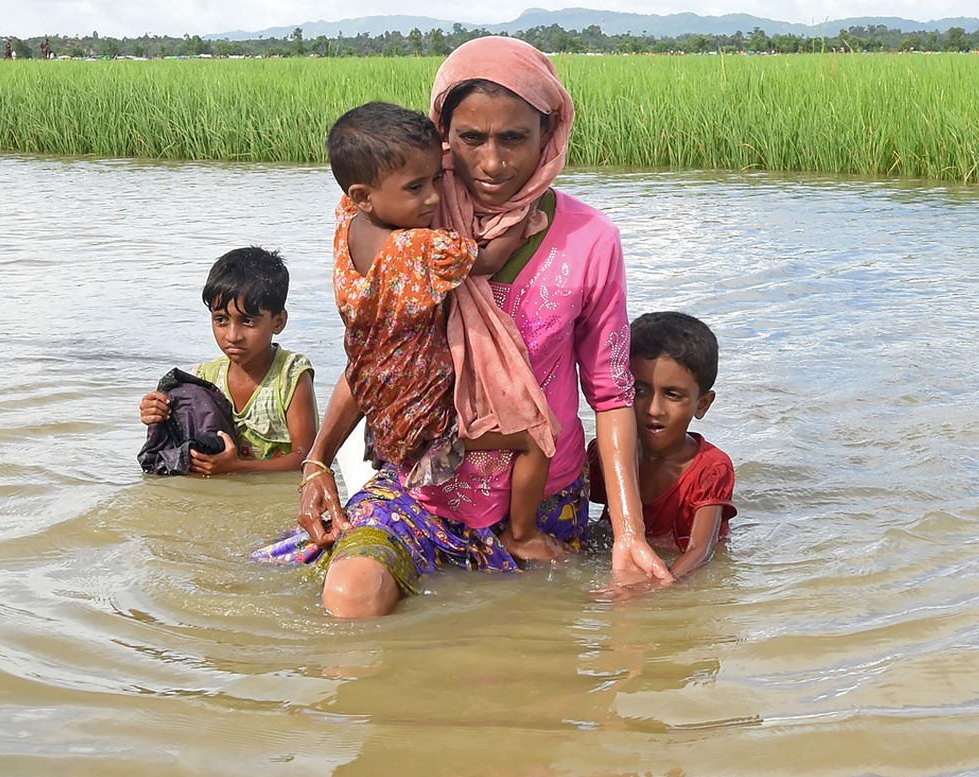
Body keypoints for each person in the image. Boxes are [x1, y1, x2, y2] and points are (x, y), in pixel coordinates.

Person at [290, 36, 671, 618]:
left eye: (514, 138)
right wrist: (317, 461)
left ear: (550, 135)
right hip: (423, 485)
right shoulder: (412, 223)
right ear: (442, 136)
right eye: (471, 139)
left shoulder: (590, 239)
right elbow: (379, 356)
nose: (492, 163)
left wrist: (628, 535)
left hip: (540, 497)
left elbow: (611, 391)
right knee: (350, 597)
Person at [321, 101, 561, 561]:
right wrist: (526, 218)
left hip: (382, 408)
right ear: (364, 195)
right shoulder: (421, 247)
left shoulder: (347, 224)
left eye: (437, 178)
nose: (434, 197)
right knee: (535, 438)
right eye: (416, 187)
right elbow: (487, 260)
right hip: (427, 419)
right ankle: (523, 535)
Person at [138, 247, 317, 475]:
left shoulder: (290, 375)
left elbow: (307, 458)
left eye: (248, 321)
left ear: (278, 322)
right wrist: (157, 412)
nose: (233, 335)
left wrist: (237, 468)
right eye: (221, 320)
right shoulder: (204, 378)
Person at [588, 311, 736, 581]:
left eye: (672, 395)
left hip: (678, 566)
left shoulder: (711, 469)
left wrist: (657, 587)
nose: (653, 409)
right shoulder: (606, 453)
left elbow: (700, 551)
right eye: (639, 390)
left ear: (702, 404)